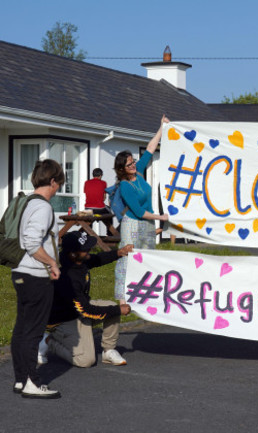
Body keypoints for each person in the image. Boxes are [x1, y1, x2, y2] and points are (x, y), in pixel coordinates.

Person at [11, 159, 64, 399]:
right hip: (35, 275)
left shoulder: (25, 202)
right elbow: (32, 243)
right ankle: (32, 381)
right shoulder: (43, 207)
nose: (58, 189)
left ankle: (21, 379)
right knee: (33, 331)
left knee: (21, 328)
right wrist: (52, 262)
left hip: (19, 271)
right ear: (52, 181)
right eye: (59, 184)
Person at [41, 231, 134, 367]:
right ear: (73, 254)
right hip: (63, 321)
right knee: (85, 361)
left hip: (78, 311)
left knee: (110, 306)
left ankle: (109, 350)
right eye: (85, 249)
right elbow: (86, 310)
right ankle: (47, 341)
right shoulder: (68, 278)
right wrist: (118, 310)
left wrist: (119, 252)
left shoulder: (79, 261)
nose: (89, 250)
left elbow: (98, 259)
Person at [113, 115, 169, 302]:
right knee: (128, 260)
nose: (133, 164)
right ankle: (122, 299)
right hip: (133, 224)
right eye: (129, 164)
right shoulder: (125, 186)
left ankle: (144, 296)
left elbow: (150, 149)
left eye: (133, 161)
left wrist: (161, 128)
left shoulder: (139, 172)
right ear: (122, 169)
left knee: (147, 258)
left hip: (148, 224)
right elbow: (138, 211)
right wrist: (160, 218)